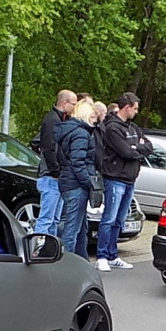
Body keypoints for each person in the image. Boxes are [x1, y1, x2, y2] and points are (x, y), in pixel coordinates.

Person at [95, 94, 152, 271]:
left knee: (119, 220)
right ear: (126, 107)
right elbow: (125, 151)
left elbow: (149, 146)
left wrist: (138, 148)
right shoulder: (112, 128)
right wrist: (136, 148)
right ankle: (102, 255)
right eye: (135, 108)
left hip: (130, 179)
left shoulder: (133, 128)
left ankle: (113, 254)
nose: (136, 112)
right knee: (109, 219)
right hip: (115, 178)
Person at [55, 99, 100, 258]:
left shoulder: (69, 130)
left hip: (69, 182)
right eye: (93, 117)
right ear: (87, 115)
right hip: (76, 185)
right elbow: (78, 162)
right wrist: (90, 183)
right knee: (72, 229)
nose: (95, 120)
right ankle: (66, 264)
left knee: (80, 228)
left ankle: (83, 262)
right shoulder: (81, 133)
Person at [34, 90, 76, 235]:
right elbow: (49, 147)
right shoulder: (52, 120)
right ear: (64, 103)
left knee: (55, 219)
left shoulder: (62, 120)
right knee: (46, 218)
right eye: (73, 104)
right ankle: (38, 249)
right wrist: (56, 170)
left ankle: (50, 249)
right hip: (51, 177)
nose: (74, 107)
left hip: (58, 176)